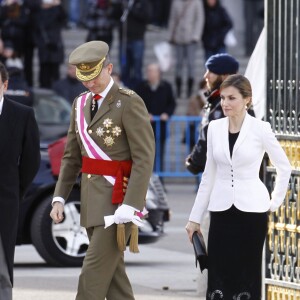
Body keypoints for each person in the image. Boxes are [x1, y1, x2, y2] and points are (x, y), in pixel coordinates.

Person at [50, 40, 155, 300]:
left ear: (108, 68)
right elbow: (71, 156)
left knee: (92, 277)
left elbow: (144, 157)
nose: (89, 83)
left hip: (119, 202)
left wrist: (131, 203)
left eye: (94, 76)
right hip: (91, 202)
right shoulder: (79, 104)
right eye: (84, 78)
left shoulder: (129, 102)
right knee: (114, 282)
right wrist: (59, 197)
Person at [186, 74, 291, 299]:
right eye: (223, 98)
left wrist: (274, 202)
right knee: (218, 279)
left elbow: (285, 167)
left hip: (252, 213)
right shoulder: (214, 128)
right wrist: (194, 218)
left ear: (247, 100)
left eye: (231, 98)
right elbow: (208, 176)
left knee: (246, 279)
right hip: (222, 212)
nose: (225, 103)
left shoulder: (260, 129)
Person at [0, 61, 40, 300]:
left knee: (2, 265)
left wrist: (15, 191)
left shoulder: (22, 114)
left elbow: (31, 161)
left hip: (4, 200)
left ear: (5, 85)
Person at [185, 53, 239, 175]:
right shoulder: (218, 100)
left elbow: (209, 136)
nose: (206, 76)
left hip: (227, 175)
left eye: (211, 71)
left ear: (225, 76)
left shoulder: (228, 103)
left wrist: (195, 161)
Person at [136, 63, 176, 174]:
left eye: (153, 71)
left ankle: (159, 180)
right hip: (144, 129)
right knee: (145, 156)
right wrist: (145, 114)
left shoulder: (166, 86)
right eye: (149, 71)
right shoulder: (141, 86)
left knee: (159, 155)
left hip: (160, 128)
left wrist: (166, 114)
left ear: (159, 73)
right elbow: (135, 104)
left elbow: (171, 103)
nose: (150, 74)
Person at [168, 0, 204, 98]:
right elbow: (173, 19)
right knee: (178, 65)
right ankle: (178, 89)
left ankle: (189, 90)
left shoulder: (196, 2)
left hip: (191, 38)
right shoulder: (176, 2)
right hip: (178, 38)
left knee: (191, 65)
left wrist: (196, 35)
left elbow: (199, 19)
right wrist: (171, 35)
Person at [119, 0, 152, 89]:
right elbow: (116, 16)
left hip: (137, 40)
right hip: (124, 40)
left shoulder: (143, 3)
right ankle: (125, 91)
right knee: (124, 68)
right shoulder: (123, 2)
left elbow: (146, 16)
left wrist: (132, 9)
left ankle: (138, 92)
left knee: (137, 69)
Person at [33, 0, 67, 88]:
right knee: (44, 71)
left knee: (55, 72)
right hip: (44, 44)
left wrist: (58, 5)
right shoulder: (38, 11)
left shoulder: (57, 10)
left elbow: (63, 18)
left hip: (55, 44)